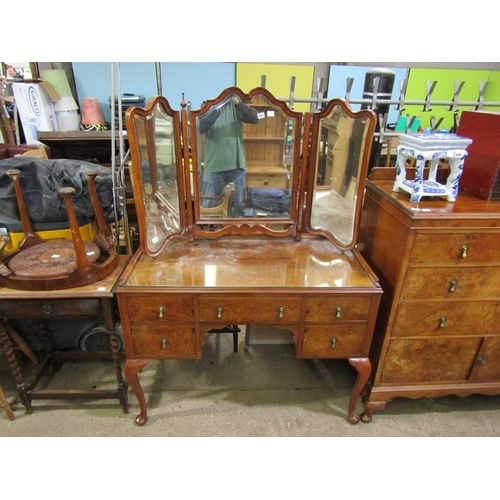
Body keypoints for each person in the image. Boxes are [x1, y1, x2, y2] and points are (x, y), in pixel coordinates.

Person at [198, 94, 258, 215]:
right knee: (209, 208)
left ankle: (232, 231)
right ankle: (207, 233)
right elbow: (201, 128)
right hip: (214, 166)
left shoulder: (236, 106)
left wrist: (238, 104)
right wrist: (216, 110)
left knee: (234, 209)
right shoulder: (207, 106)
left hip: (236, 167)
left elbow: (254, 118)